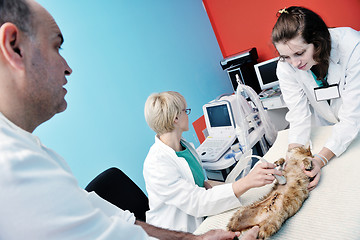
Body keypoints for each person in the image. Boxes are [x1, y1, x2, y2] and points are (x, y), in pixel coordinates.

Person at [0, 0, 260, 239]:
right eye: (57, 46)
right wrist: (244, 186)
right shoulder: (14, 167)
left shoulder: (38, 153)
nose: (68, 67)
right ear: (14, 46)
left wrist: (197, 239)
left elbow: (121, 220)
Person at [143, 91, 282, 233]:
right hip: (176, 231)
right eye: (186, 111)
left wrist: (210, 186)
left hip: (201, 214)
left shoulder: (184, 146)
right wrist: (246, 182)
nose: (188, 115)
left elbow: (195, 183)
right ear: (175, 118)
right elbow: (196, 202)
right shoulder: (157, 165)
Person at [272, 6, 360, 190]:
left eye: (299, 53)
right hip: (328, 127)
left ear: (318, 42)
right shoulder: (286, 66)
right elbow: (298, 115)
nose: (295, 63)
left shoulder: (352, 46)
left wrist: (320, 160)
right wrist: (293, 157)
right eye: (286, 57)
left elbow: (352, 117)